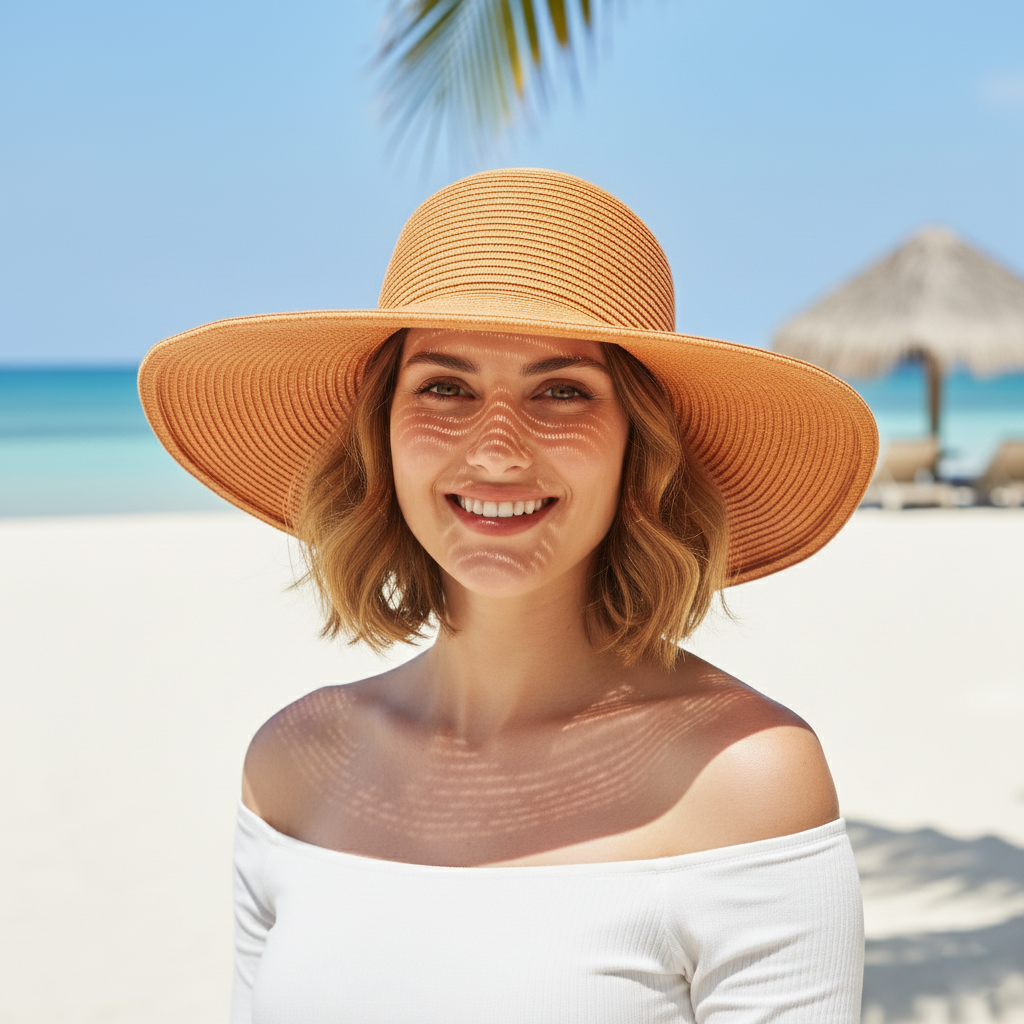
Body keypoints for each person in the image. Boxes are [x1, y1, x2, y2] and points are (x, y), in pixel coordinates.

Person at [139, 168, 878, 1023]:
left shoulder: (744, 776)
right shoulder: (292, 763)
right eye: (445, 388)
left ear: (639, 444)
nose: (495, 451)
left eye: (560, 390)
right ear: (381, 431)